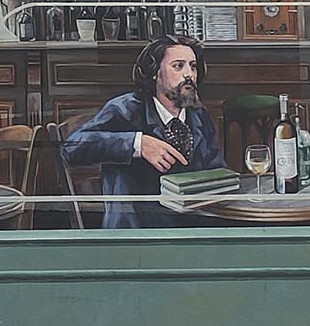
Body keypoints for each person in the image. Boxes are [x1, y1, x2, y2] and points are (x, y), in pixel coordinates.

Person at [62, 34, 226, 229]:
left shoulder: (199, 116)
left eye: (193, 66)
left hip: (191, 229)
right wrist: (138, 144)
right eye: (178, 66)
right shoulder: (126, 109)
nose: (188, 74)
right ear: (155, 73)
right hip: (136, 232)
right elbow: (70, 149)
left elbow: (218, 172)